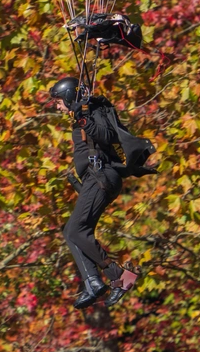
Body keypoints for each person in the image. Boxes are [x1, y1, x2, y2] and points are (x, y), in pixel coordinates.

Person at [49, 75, 155, 309]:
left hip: (100, 177)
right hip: (94, 180)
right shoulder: (82, 112)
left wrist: (83, 117)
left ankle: (118, 277)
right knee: (71, 232)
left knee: (77, 230)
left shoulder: (91, 111)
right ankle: (93, 282)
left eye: (58, 101)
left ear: (68, 96)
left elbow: (107, 135)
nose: (57, 106)